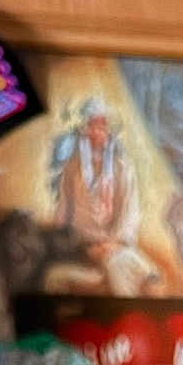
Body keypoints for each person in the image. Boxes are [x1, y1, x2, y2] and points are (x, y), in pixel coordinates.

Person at [51, 101, 156, 295]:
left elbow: (130, 212)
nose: (97, 132)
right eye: (92, 126)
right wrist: (77, 244)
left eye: (102, 126)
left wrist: (114, 243)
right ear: (83, 131)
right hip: (81, 244)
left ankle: (142, 281)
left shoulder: (123, 168)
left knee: (121, 263)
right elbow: (63, 212)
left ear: (109, 132)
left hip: (115, 243)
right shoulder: (71, 169)